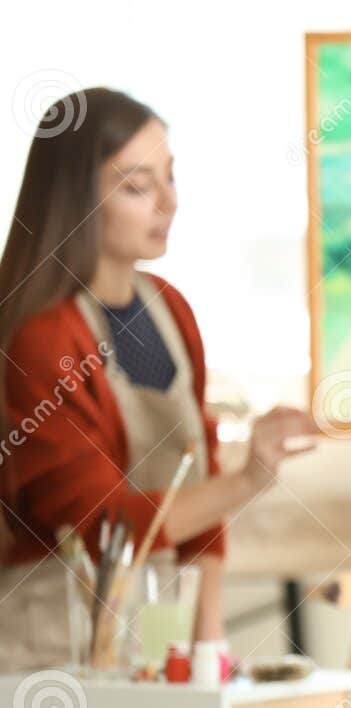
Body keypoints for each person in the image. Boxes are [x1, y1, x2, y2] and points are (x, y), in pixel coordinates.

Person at [0, 87, 317, 672]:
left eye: (169, 177)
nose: (169, 202)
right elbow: (105, 529)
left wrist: (209, 646)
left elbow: (198, 479)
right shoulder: (42, 339)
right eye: (137, 186)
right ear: (75, 199)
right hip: (50, 648)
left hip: (154, 631)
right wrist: (248, 479)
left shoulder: (171, 309)